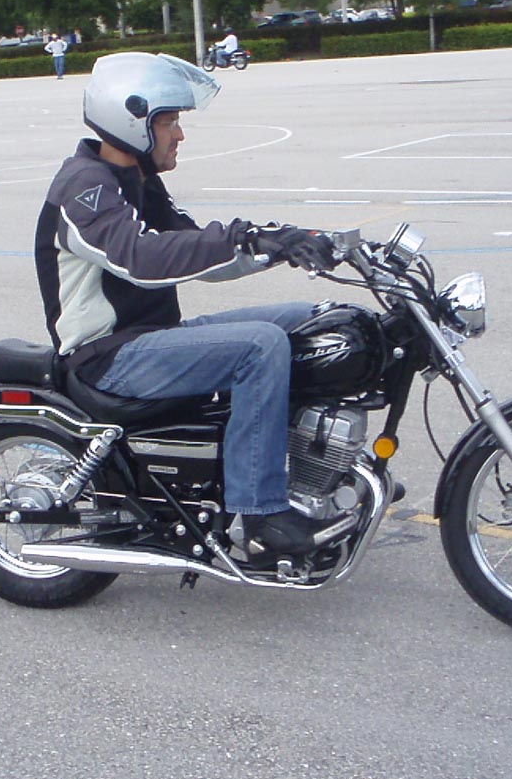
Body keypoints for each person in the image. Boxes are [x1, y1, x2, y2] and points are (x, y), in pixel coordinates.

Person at [34, 52, 340, 558]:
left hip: (153, 339)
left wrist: (281, 243)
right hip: (107, 356)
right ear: (130, 120)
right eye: (169, 121)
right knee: (261, 346)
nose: (179, 134)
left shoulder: (138, 181)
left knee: (309, 319)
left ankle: (313, 473)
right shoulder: (84, 187)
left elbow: (195, 249)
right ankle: (260, 516)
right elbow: (140, 258)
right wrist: (244, 238)